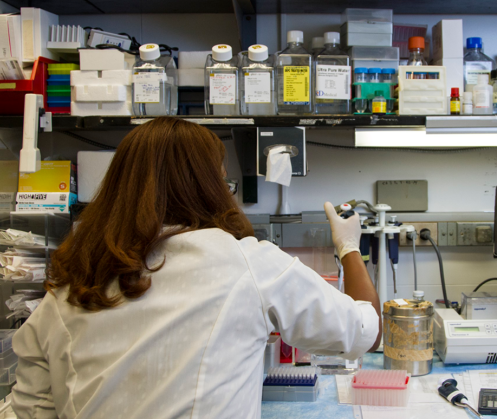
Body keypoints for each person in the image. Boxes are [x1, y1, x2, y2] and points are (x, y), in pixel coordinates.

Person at [11, 117, 381, 419]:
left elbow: (30, 409)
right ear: (207, 188)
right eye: (223, 180)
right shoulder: (247, 264)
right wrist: (349, 247)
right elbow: (366, 331)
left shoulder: (70, 286)